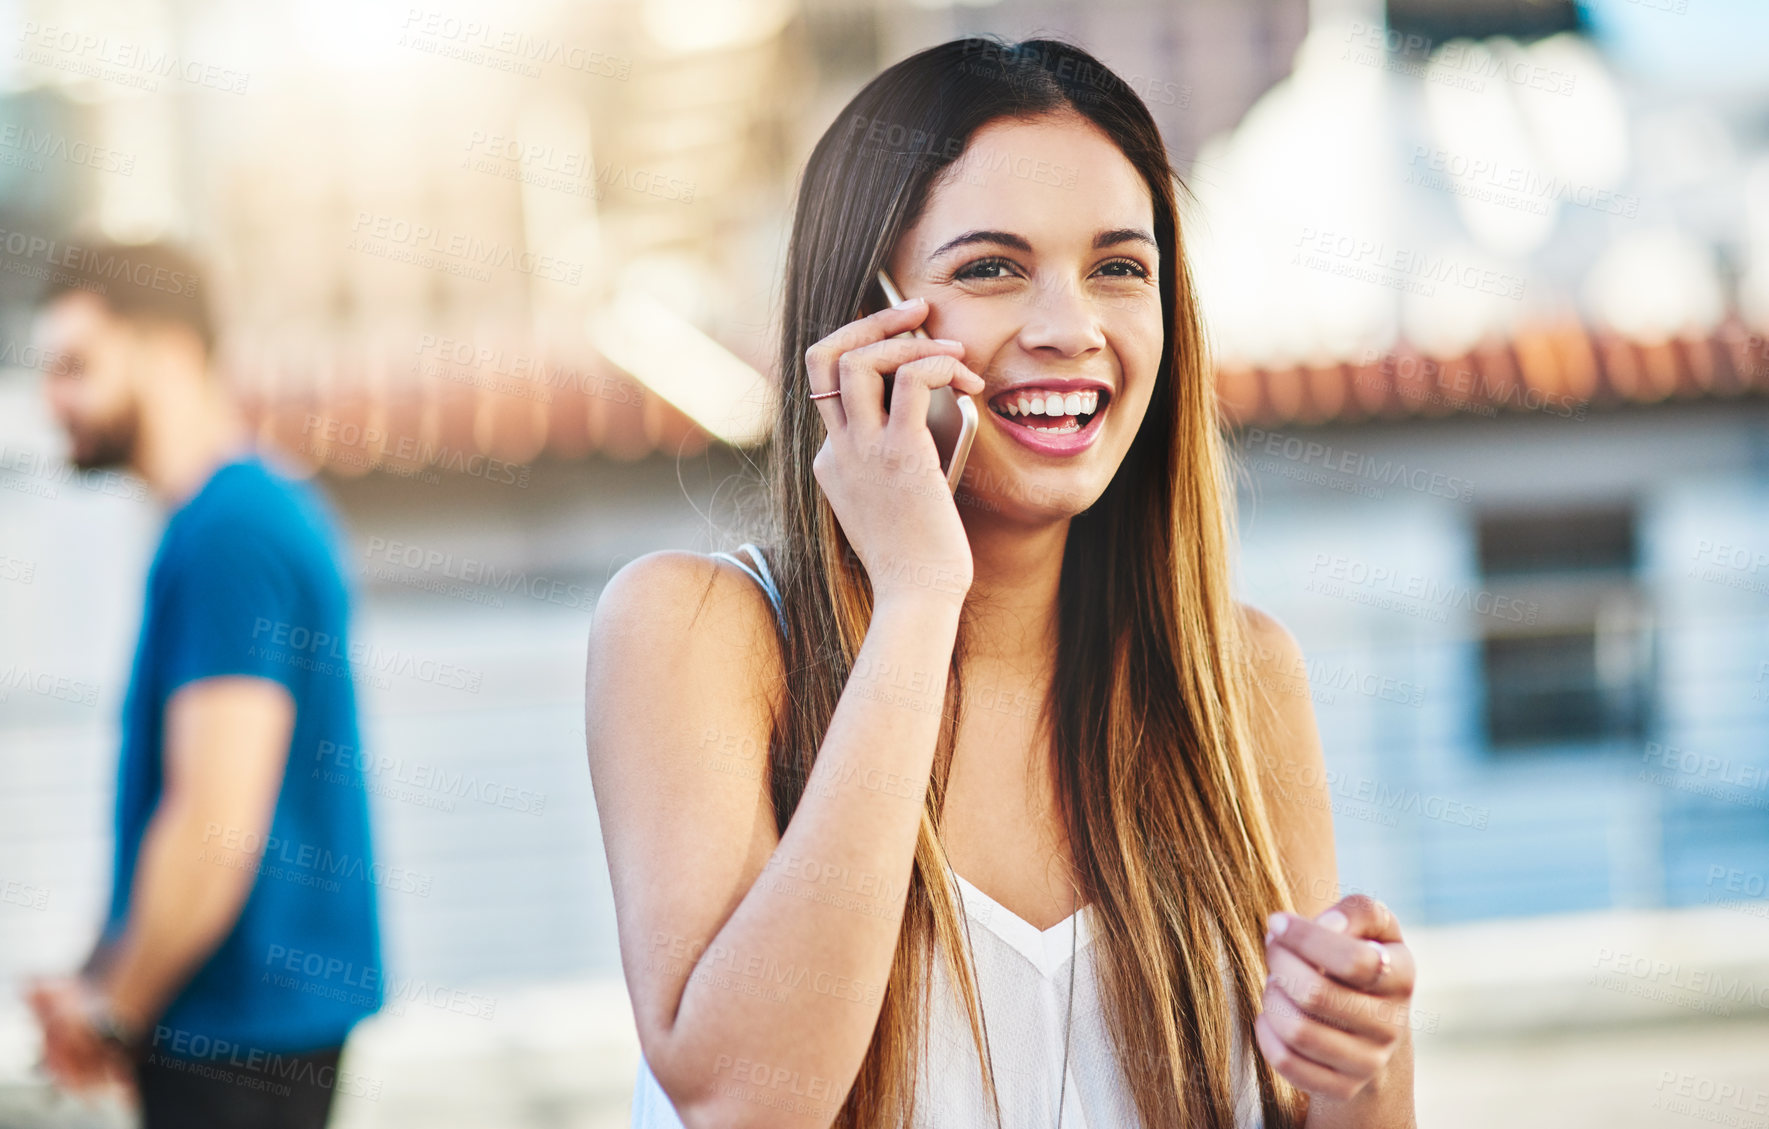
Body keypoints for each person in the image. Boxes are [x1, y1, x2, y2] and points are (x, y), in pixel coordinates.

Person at [585, 34, 1418, 1129]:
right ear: (862, 320)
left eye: (1118, 268)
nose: (1069, 329)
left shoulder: (1238, 676)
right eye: (990, 268)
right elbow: (746, 1102)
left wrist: (1357, 1067)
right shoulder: (697, 631)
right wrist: (917, 600)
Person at [23, 241, 383, 1129]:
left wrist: (114, 1011)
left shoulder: (229, 531)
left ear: (169, 353)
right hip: (253, 1023)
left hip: (234, 1039)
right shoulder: (239, 514)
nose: (51, 399)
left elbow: (213, 822)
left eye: (75, 365)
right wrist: (97, 975)